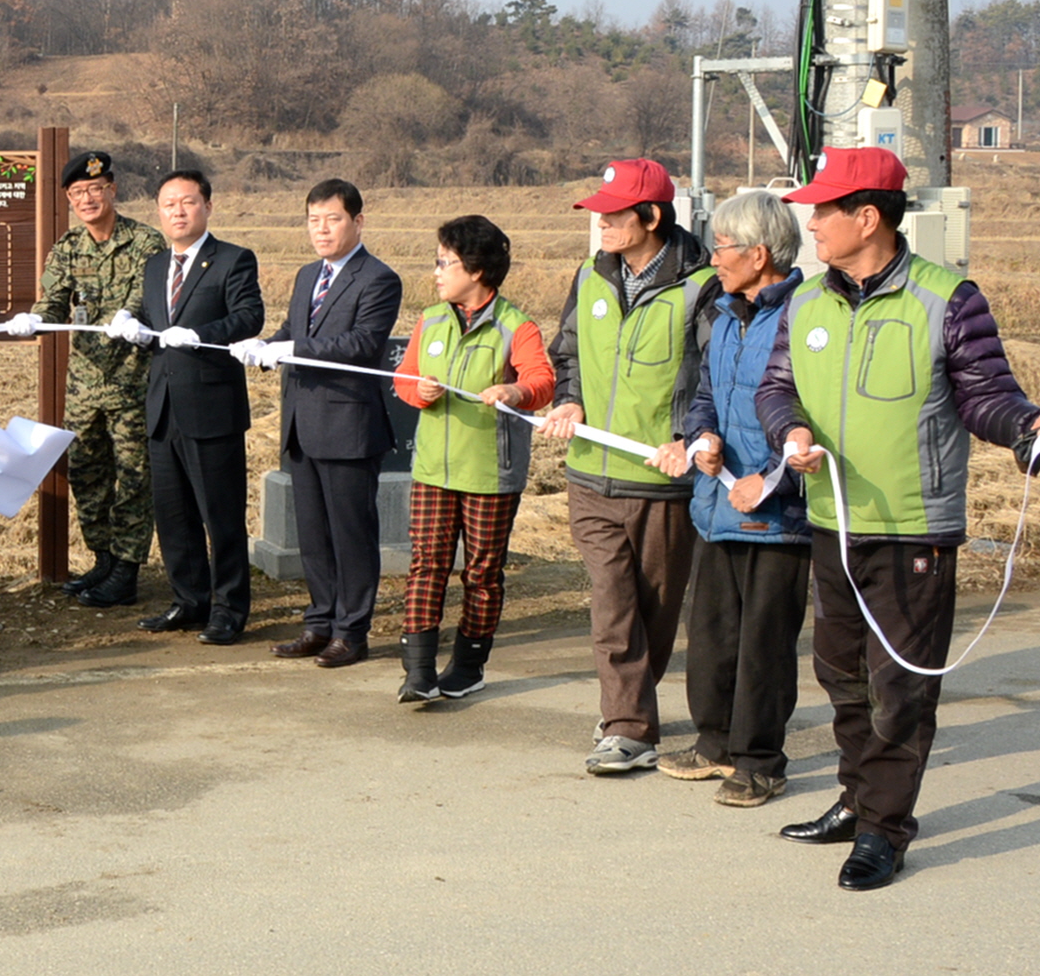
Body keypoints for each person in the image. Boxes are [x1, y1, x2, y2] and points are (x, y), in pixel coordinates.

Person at [757, 146, 1040, 890]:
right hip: (832, 518)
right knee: (840, 675)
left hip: (912, 525)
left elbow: (985, 393)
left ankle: (884, 830)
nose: (810, 223)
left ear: (867, 217)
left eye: (823, 210)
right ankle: (857, 798)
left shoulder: (948, 298)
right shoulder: (805, 300)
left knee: (899, 687)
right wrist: (789, 432)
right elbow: (777, 387)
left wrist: (1027, 426)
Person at [541, 159, 720, 776]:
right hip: (590, 474)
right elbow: (567, 352)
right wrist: (570, 399)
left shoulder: (701, 286)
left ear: (650, 217)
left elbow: (712, 374)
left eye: (613, 214)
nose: (601, 223)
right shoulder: (589, 276)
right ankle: (628, 728)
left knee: (655, 611)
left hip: (660, 481)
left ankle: (629, 704)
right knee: (612, 600)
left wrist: (686, 439)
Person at [645, 190, 811, 808]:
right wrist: (702, 439)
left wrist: (770, 479)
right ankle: (714, 742)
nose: (713, 259)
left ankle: (761, 761)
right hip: (717, 506)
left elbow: (809, 418)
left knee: (764, 644)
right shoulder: (722, 315)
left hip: (777, 513)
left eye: (722, 248)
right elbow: (705, 396)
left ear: (759, 254)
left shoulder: (803, 317)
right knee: (712, 633)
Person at [386, 215, 553, 702]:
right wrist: (419, 391)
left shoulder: (517, 326)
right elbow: (404, 379)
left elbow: (542, 381)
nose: (436, 272)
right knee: (427, 564)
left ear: (476, 270)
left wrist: (515, 391)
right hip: (433, 470)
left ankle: (468, 664)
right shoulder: (430, 320)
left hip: (490, 472)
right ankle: (418, 671)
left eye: (446, 263)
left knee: (482, 573)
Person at [247, 178, 404, 669]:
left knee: (350, 535)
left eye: (332, 219)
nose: (321, 230)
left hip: (348, 426)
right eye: (313, 220)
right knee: (313, 535)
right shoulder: (306, 275)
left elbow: (361, 343)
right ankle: (319, 623)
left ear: (358, 221)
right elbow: (294, 330)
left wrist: (291, 348)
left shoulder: (378, 278)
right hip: (302, 423)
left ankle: (351, 632)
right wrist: (265, 345)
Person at [109, 169, 263, 644]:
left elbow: (249, 316)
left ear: (207, 207)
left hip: (211, 407)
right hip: (163, 406)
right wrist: (131, 323)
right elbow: (152, 318)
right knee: (173, 516)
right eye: (168, 204)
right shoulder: (155, 265)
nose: (178, 211)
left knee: (221, 516)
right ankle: (189, 601)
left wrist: (200, 334)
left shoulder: (233, 259)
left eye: (188, 202)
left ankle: (229, 609)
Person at [4, 151, 158, 606]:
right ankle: (103, 560)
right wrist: (35, 319)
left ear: (112, 190)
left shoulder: (145, 242)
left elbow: (144, 296)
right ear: (70, 201)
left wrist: (131, 315)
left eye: (95, 189)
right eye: (77, 193)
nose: (87, 199)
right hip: (85, 385)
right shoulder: (69, 247)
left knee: (134, 475)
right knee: (87, 473)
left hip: (133, 381)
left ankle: (126, 570)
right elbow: (53, 300)